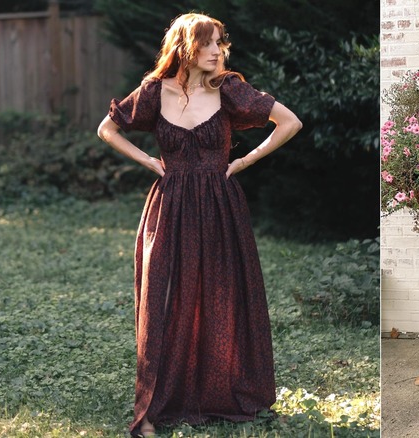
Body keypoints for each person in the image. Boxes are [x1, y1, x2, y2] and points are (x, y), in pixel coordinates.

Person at [97, 13, 301, 437]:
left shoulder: (229, 89)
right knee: (163, 299)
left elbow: (290, 122)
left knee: (222, 297)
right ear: (186, 47)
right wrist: (151, 161)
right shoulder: (154, 91)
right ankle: (154, 405)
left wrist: (244, 160)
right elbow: (107, 129)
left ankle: (219, 393)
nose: (217, 51)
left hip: (220, 206)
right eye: (208, 44)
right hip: (168, 207)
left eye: (220, 43)